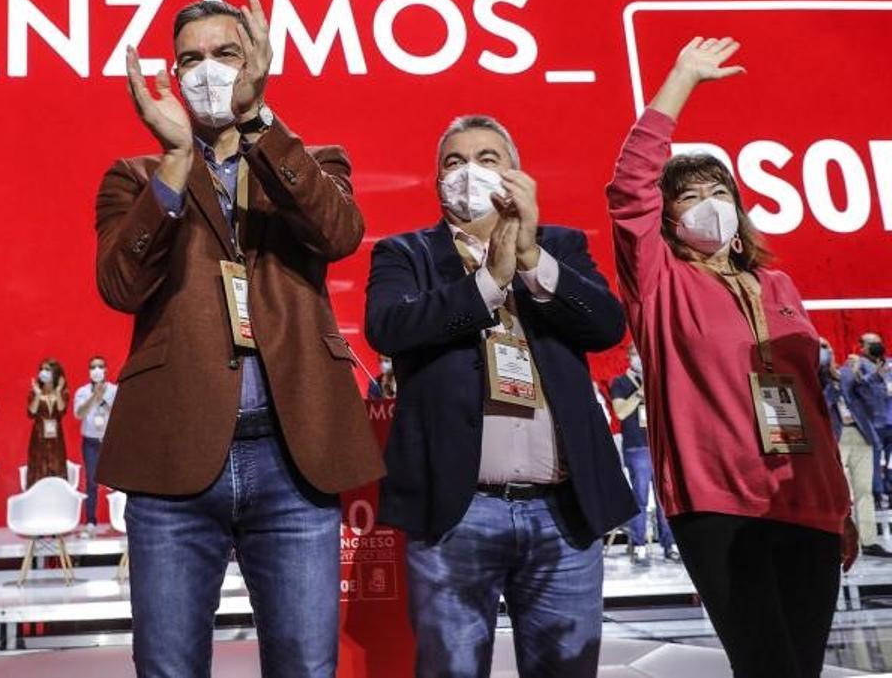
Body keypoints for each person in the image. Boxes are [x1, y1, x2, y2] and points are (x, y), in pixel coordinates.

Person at [96, 0, 384, 677]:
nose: (208, 72)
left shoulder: (310, 161)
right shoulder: (133, 176)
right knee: (167, 668)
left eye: (226, 54)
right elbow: (121, 285)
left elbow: (338, 233)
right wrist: (172, 160)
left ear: (256, 62)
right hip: (173, 456)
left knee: (306, 667)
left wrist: (257, 121)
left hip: (291, 455)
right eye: (191, 58)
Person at [606, 37, 855, 678]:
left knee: (802, 667)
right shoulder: (660, 281)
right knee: (766, 667)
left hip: (808, 503)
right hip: (719, 503)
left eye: (718, 190)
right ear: (666, 219)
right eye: (687, 196)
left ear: (741, 211)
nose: (707, 204)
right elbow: (630, 185)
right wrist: (681, 80)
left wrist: (842, 506)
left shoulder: (778, 286)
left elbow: (814, 406)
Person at [366, 113, 635, 677]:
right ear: (437, 180)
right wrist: (490, 281)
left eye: (488, 159)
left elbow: (608, 325)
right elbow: (389, 329)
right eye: (454, 162)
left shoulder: (560, 246)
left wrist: (531, 259)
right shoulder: (406, 254)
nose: (470, 172)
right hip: (458, 512)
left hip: (562, 511)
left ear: (516, 175)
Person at [610, 343, 677, 564]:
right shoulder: (620, 383)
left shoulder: (654, 380)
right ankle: (639, 545)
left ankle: (670, 544)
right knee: (639, 497)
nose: (640, 360)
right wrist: (639, 393)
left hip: (659, 447)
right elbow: (620, 413)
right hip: (637, 448)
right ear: (629, 357)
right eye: (636, 355)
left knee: (664, 499)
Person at [823, 339, 889, 557]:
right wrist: (831, 385)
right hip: (835, 439)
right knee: (841, 494)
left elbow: (870, 398)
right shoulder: (812, 379)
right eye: (821, 348)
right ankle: (845, 542)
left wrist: (871, 376)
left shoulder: (848, 372)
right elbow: (821, 406)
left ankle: (869, 541)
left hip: (860, 435)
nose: (826, 352)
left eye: (827, 347)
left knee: (864, 491)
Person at [73, 355, 116, 535]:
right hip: (90, 442)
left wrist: (103, 400)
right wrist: (93, 397)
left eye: (100, 366)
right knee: (91, 482)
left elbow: (118, 414)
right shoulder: (82, 391)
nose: (96, 370)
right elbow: (78, 414)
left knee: (117, 481)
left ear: (106, 369)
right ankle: (91, 521)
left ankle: (118, 520)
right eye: (93, 367)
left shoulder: (114, 390)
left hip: (110, 441)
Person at [851, 333, 891, 501]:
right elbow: (858, 384)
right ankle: (877, 493)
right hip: (872, 420)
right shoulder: (858, 364)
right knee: (874, 460)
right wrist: (876, 373)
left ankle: (890, 489)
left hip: (890, 417)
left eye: (878, 343)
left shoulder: (889, 363)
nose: (876, 347)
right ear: (863, 347)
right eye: (872, 344)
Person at [26, 358, 68, 486]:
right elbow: (31, 413)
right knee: (39, 466)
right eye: (42, 369)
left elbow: (62, 410)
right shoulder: (34, 391)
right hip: (39, 436)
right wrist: (38, 394)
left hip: (56, 438)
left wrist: (59, 391)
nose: (43, 372)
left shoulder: (62, 392)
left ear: (54, 373)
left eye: (47, 370)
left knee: (56, 465)